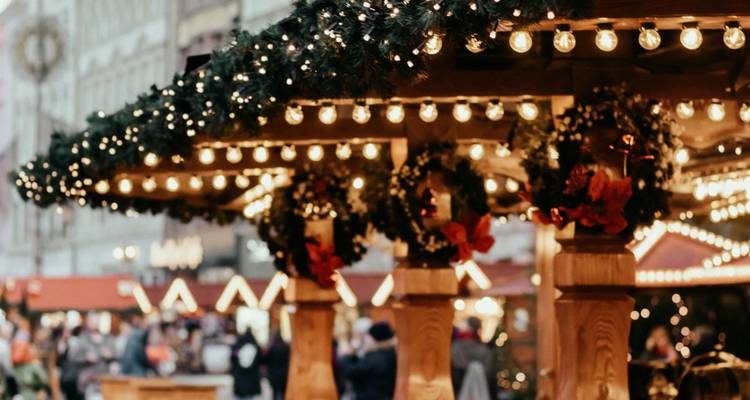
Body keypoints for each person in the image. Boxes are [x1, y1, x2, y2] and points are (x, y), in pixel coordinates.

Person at [339, 321, 397, 400]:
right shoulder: (387, 354)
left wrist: (347, 355)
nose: (365, 340)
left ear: (375, 339)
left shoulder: (377, 357)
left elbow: (352, 372)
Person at [451, 317, 493, 396]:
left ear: (469, 327)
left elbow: (455, 364)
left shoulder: (457, 346)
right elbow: (488, 371)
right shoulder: (484, 348)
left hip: (458, 388)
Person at [230, 329, 262, 400]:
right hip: (252, 380)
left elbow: (232, 359)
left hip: (240, 379)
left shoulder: (238, 346)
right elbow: (261, 360)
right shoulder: (255, 346)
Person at [265, 330, 290, 400]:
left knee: (275, 393)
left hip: (274, 374)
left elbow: (268, 361)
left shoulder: (272, 347)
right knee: (282, 393)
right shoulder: (285, 347)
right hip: (283, 374)